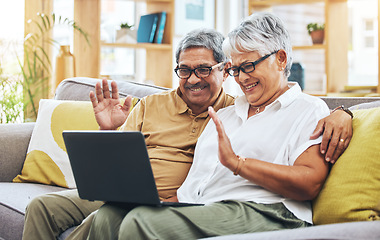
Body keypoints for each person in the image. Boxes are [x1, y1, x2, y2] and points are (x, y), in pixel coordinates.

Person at [23, 26, 352, 240]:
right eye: (237, 69)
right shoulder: (227, 115)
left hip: (265, 209)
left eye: (245, 67)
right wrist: (111, 132)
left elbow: (307, 179)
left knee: (138, 222)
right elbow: (198, 182)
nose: (241, 77)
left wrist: (344, 112)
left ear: (281, 60)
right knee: (110, 215)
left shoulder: (302, 109)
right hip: (194, 203)